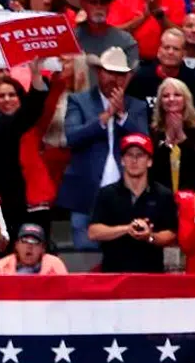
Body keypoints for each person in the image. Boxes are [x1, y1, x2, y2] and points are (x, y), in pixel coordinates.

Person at [57, 48, 151, 250]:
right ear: (99, 72)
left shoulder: (137, 106)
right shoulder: (78, 101)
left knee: (124, 254)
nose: (114, 79)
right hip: (86, 195)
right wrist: (105, 117)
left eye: (120, 74)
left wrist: (123, 116)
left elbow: (144, 142)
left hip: (125, 196)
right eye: (110, 72)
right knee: (86, 257)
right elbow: (72, 137)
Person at [88, 134, 178, 273]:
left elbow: (171, 235)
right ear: (122, 160)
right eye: (129, 155)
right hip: (114, 274)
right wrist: (127, 229)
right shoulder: (107, 193)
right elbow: (93, 232)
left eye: (140, 155)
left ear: (149, 161)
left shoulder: (163, 194)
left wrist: (150, 236)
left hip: (151, 275)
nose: (134, 160)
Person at [0, 223, 68, 275]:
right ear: (16, 245)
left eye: (35, 242)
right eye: (25, 241)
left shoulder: (55, 264)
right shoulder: (2, 266)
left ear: (43, 248)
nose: (29, 246)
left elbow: (65, 289)